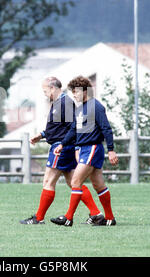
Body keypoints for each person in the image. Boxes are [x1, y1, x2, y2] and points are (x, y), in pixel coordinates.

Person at [20, 77, 104, 225]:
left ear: (53, 88)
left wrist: (67, 145)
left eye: (45, 91)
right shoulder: (60, 103)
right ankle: (96, 213)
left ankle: (38, 218)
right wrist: (41, 135)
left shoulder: (64, 103)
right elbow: (58, 128)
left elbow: (73, 127)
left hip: (61, 148)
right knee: (73, 182)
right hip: (64, 146)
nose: (45, 94)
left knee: (48, 181)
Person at [51, 76, 119, 226]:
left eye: (75, 92)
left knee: (75, 181)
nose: (74, 95)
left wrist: (111, 150)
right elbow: (74, 129)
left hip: (92, 148)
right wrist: (62, 144)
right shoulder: (80, 108)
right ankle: (109, 218)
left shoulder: (96, 106)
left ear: (83, 91)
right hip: (84, 149)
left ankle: (68, 218)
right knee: (98, 184)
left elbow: (106, 128)